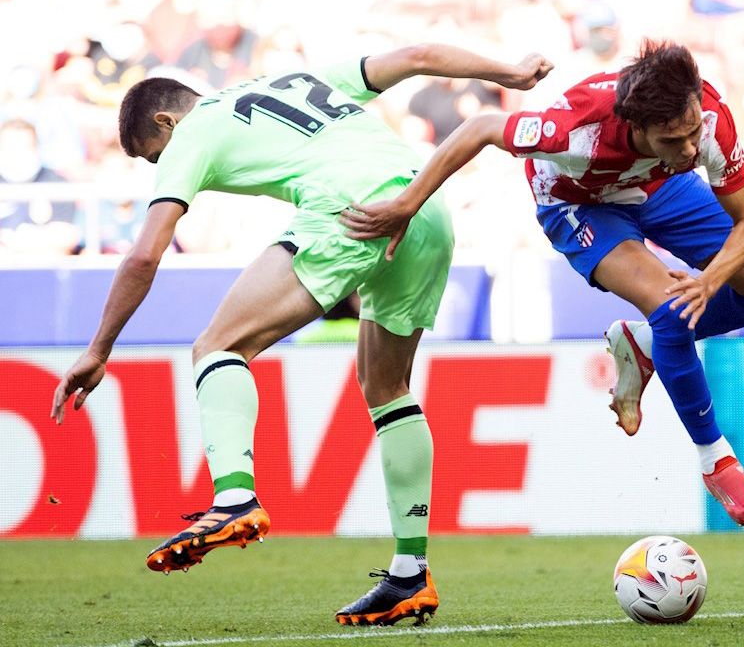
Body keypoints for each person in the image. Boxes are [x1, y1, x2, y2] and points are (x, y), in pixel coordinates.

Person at [50, 43, 553, 625]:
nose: (163, 166)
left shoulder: (192, 132)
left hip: (353, 209)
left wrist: (98, 349)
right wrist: (508, 70)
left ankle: (234, 498)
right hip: (425, 207)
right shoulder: (295, 80)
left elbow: (143, 256)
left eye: (154, 155)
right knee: (387, 387)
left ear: (166, 121)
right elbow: (414, 56)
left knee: (218, 347)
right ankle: (409, 575)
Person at [341, 41, 744, 528]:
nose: (691, 149)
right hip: (578, 203)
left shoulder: (706, 118)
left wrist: (708, 282)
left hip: (657, 187)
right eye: (674, 140)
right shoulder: (572, 134)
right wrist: (406, 204)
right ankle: (717, 461)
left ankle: (644, 342)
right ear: (636, 127)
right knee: (671, 309)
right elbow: (480, 128)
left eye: (693, 134)